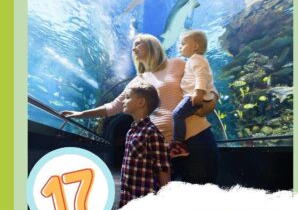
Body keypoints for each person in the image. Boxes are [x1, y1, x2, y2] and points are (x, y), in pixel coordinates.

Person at [62, 33, 219, 185]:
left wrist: (209, 105)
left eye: (138, 43)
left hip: (195, 139)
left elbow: (205, 82)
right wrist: (81, 114)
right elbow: (114, 106)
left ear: (152, 45)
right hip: (162, 148)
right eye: (132, 45)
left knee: (201, 196)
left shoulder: (177, 63)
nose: (133, 48)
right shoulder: (138, 80)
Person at [118, 81, 170, 207]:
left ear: (141, 102)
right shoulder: (131, 131)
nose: (123, 101)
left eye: (128, 97)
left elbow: (163, 169)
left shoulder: (151, 132)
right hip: (128, 195)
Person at [170, 30, 218, 158]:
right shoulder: (194, 60)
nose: (180, 46)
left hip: (194, 96)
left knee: (177, 115)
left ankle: (178, 144)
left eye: (183, 44)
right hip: (193, 95)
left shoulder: (196, 59)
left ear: (195, 47)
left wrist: (198, 92)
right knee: (178, 115)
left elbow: (201, 76)